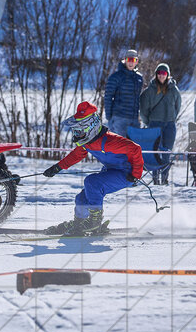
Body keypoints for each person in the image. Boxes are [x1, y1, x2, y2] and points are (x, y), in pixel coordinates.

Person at [41, 101, 144, 236]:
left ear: (91, 127)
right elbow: (76, 155)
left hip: (126, 174)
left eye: (79, 131)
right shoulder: (87, 142)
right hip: (110, 172)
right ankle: (79, 224)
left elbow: (135, 148)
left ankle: (94, 222)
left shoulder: (110, 141)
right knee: (81, 199)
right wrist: (57, 167)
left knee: (92, 182)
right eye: (75, 131)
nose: (77, 134)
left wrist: (136, 174)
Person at [139, 62, 182, 184]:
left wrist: (171, 118)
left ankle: (164, 178)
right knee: (155, 152)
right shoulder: (150, 91)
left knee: (167, 151)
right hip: (154, 124)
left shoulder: (174, 90)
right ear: (156, 74)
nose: (161, 75)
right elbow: (143, 110)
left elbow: (178, 106)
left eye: (164, 73)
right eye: (159, 73)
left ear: (168, 74)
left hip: (169, 125)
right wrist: (149, 122)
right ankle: (155, 178)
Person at [103, 48, 143, 136]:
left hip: (134, 120)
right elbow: (108, 97)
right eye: (129, 59)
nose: (131, 63)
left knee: (134, 144)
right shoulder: (116, 77)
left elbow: (138, 98)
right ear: (125, 60)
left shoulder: (139, 78)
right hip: (119, 118)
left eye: (133, 60)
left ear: (137, 61)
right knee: (119, 144)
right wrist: (109, 117)